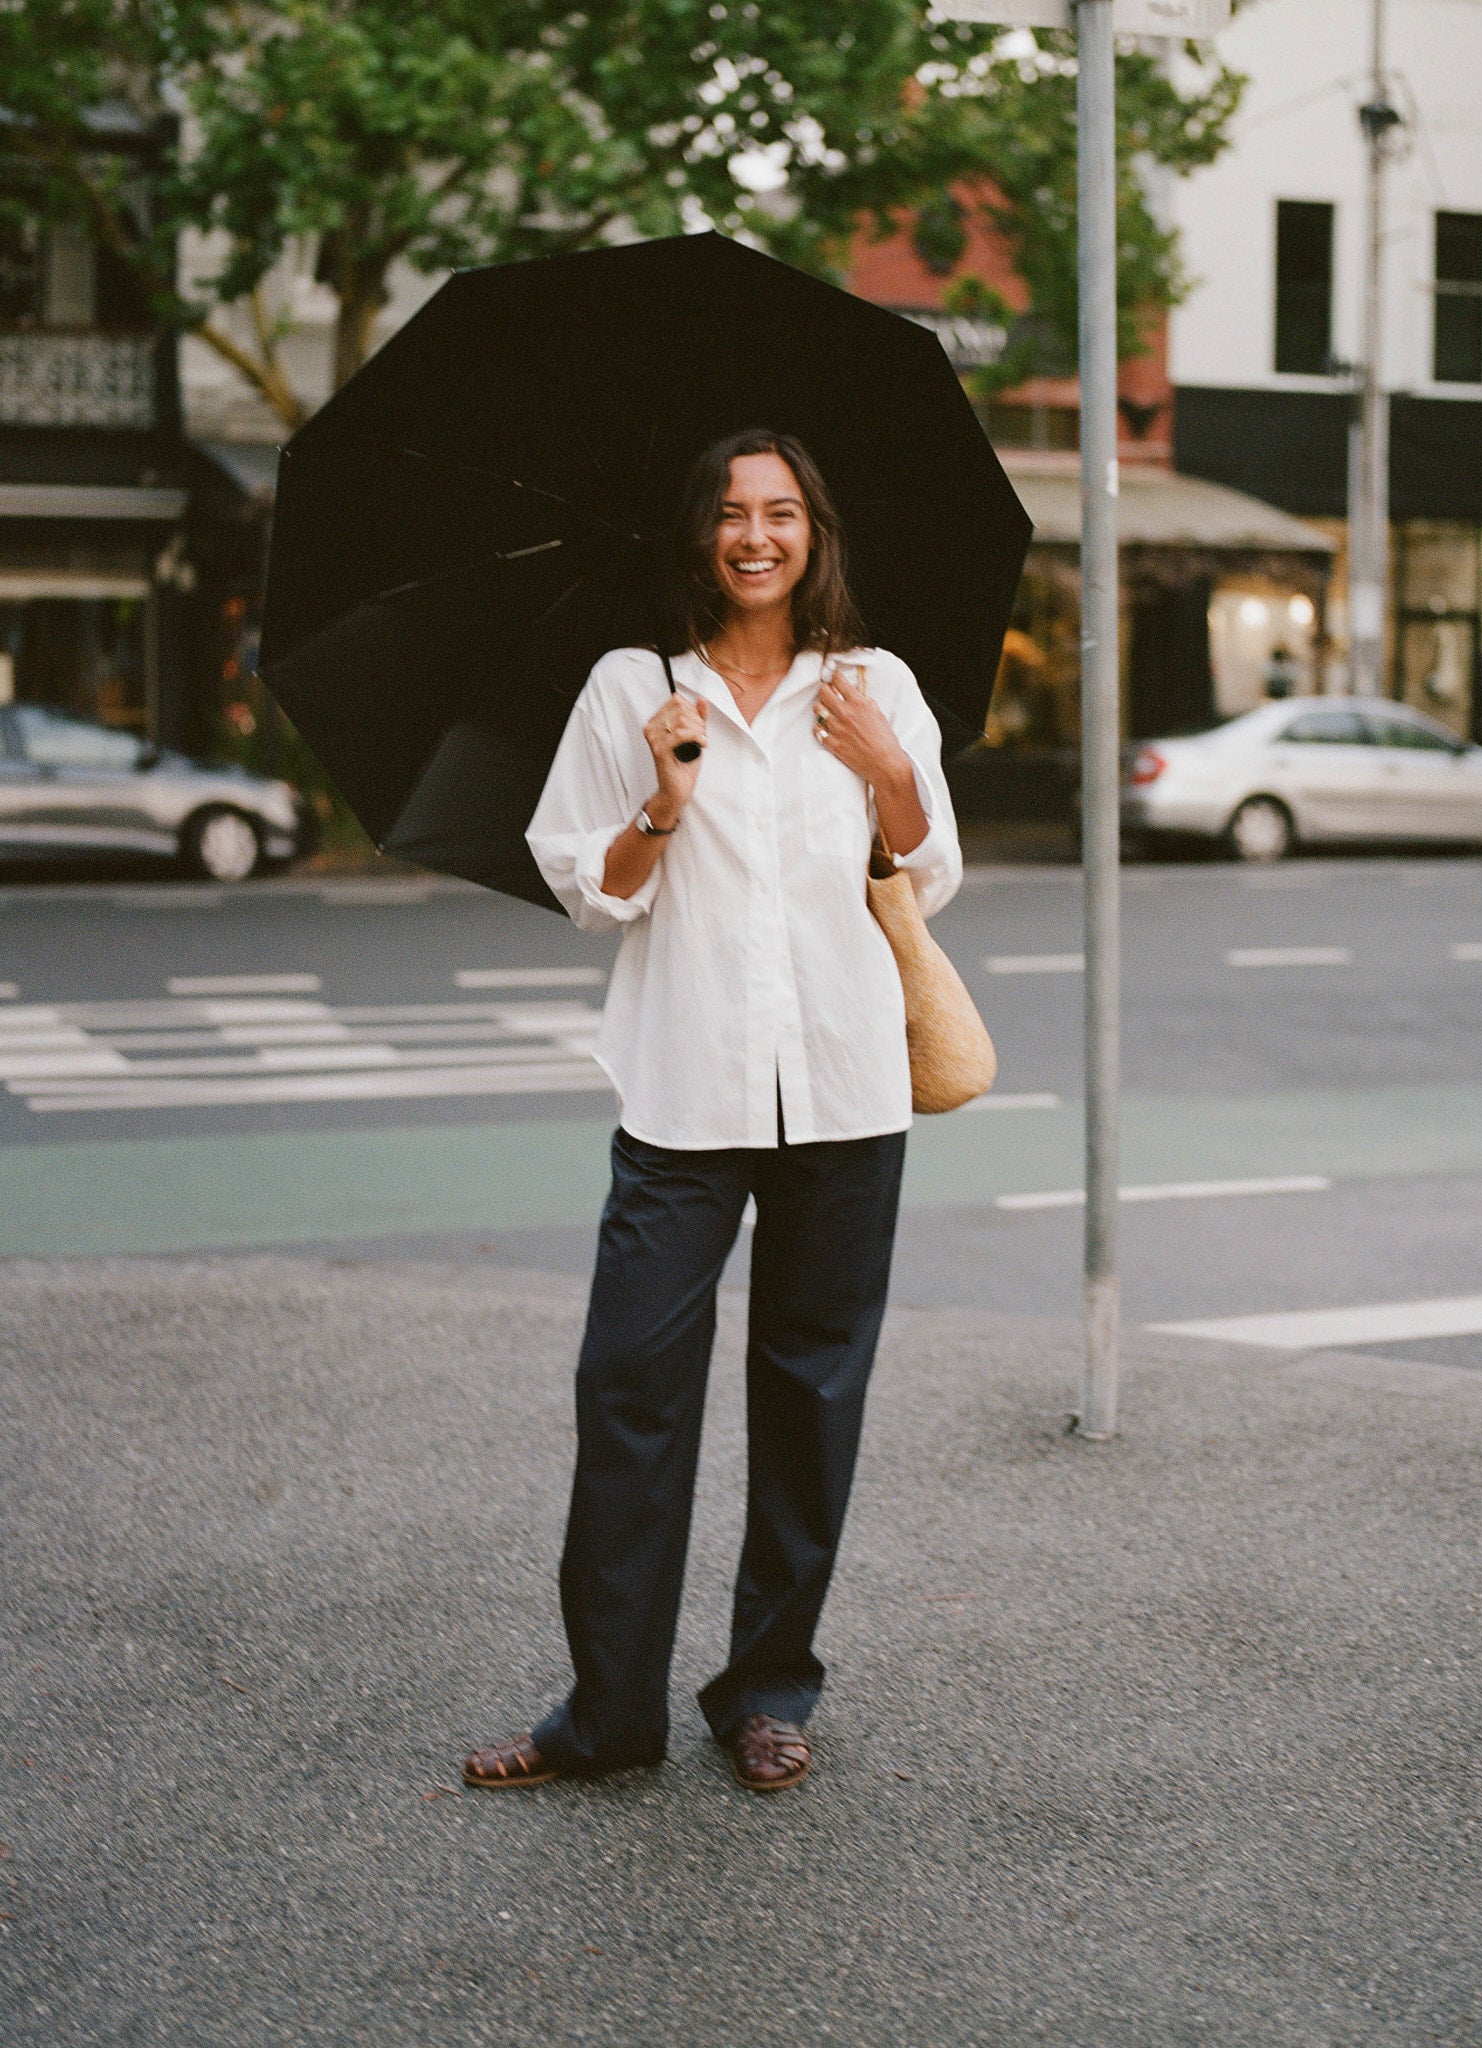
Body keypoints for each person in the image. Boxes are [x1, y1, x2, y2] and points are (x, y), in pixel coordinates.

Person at [462, 428, 961, 1795]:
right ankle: (607, 1714)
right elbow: (587, 885)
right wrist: (663, 798)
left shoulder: (875, 686)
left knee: (813, 1396)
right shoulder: (634, 686)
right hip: (684, 1094)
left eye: (783, 510)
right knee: (629, 1388)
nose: (757, 534)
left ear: (816, 533)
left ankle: (767, 1690)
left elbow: (938, 869)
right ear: (698, 533)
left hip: (846, 1091)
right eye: (733, 512)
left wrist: (890, 771)